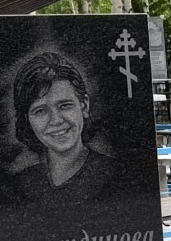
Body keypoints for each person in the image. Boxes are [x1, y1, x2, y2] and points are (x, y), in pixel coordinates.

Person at [7, 55, 133, 206]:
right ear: (27, 120)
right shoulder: (21, 184)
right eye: (40, 111)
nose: (56, 120)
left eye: (65, 105)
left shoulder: (117, 175)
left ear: (84, 105)